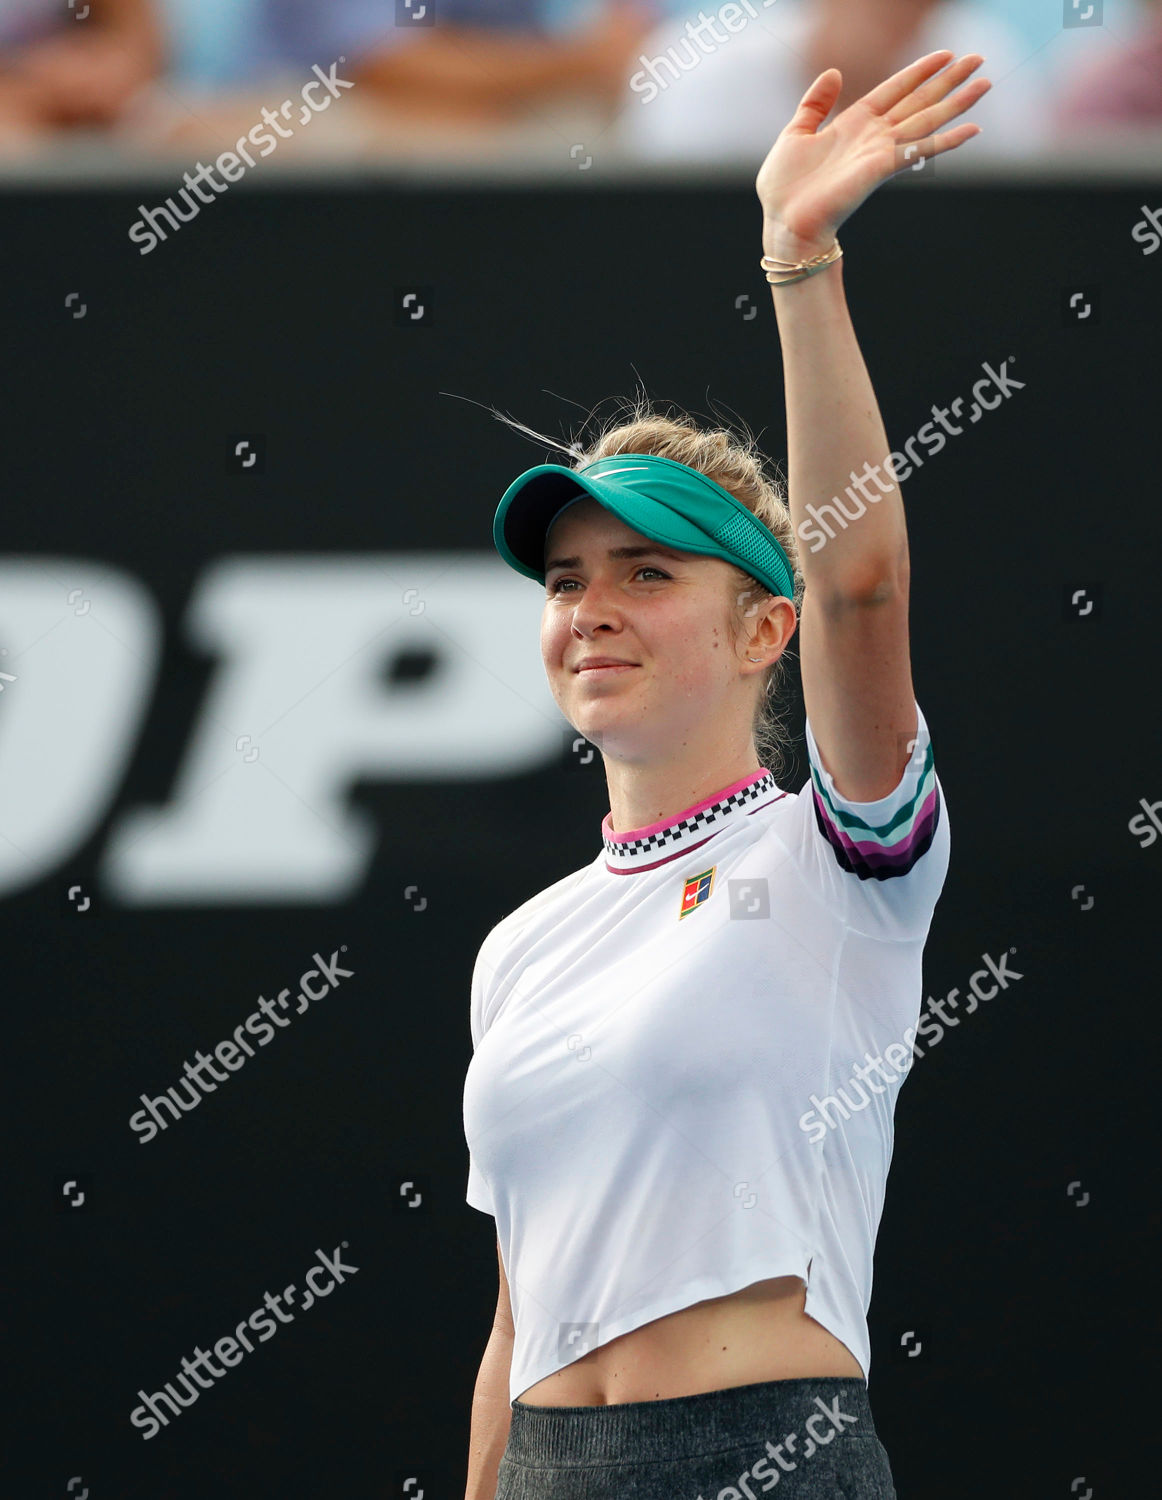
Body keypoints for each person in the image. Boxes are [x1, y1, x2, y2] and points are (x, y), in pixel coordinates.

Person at [462, 48, 979, 1500]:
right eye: (567, 579)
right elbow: (515, 1320)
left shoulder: (836, 866)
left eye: (643, 570)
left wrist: (798, 264)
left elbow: (861, 585)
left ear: (764, 627)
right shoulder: (517, 952)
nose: (590, 607)